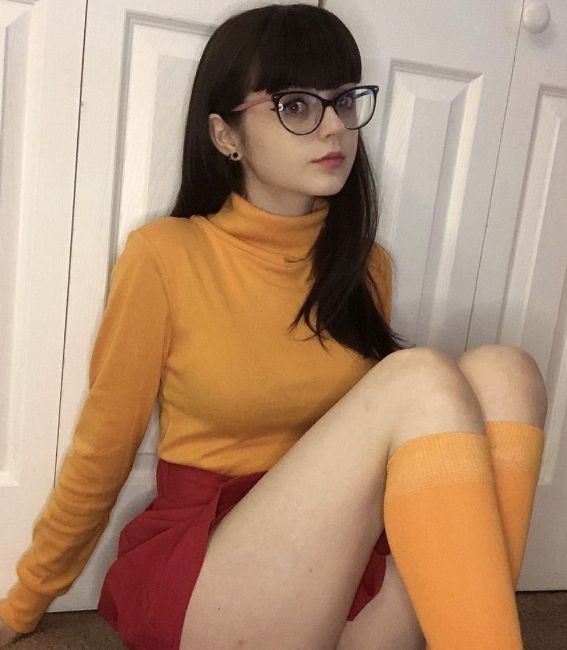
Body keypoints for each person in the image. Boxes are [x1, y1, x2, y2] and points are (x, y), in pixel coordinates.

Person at [0, 4, 546, 649]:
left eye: (344, 100)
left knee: (507, 372)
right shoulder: (167, 256)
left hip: (338, 558)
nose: (334, 126)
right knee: (420, 376)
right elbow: (104, 447)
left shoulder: (366, 267)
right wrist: (25, 602)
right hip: (211, 563)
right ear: (225, 135)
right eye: (295, 105)